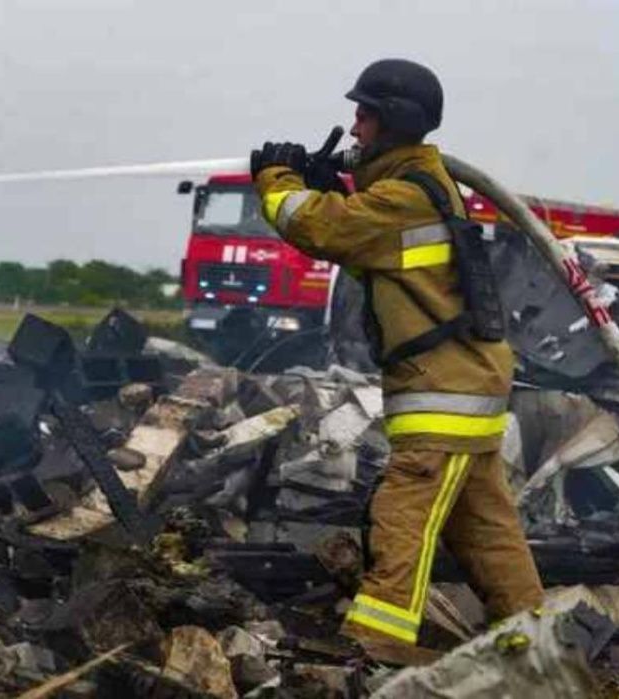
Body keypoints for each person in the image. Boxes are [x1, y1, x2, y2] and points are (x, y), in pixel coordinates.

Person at [249, 58, 544, 666]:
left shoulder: (408, 196)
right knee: (487, 533)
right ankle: (535, 644)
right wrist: (332, 188)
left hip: (445, 393)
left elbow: (320, 231)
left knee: (402, 515)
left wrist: (276, 178)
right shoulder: (416, 190)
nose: (354, 129)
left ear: (395, 121)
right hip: (467, 384)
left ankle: (376, 646)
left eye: (365, 116)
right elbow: (371, 260)